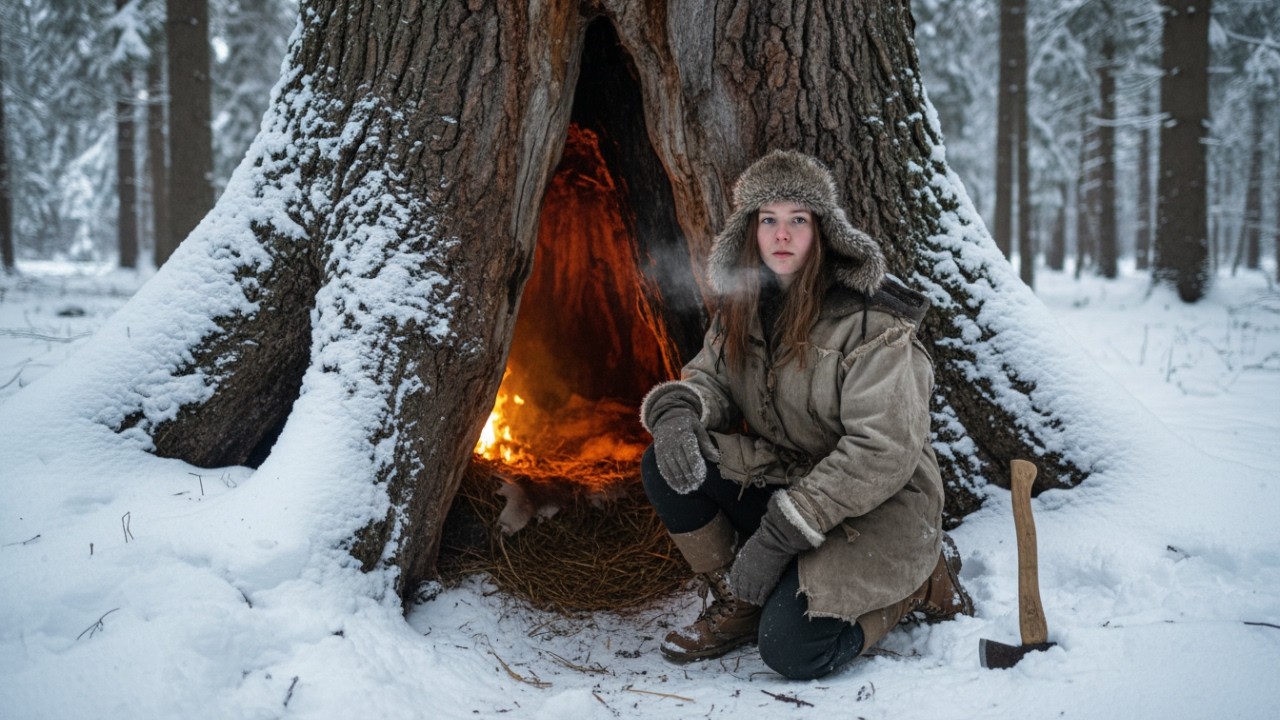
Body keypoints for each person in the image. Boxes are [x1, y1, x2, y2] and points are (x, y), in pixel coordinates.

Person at [639, 150, 973, 680]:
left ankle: (920, 582)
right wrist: (680, 409)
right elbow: (712, 379)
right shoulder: (745, 305)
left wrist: (774, 539)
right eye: (768, 220)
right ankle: (741, 597)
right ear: (749, 231)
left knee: (791, 649)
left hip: (879, 504)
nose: (782, 235)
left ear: (823, 230)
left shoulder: (872, 322)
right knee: (669, 459)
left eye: (798, 219)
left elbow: (881, 451)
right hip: (792, 479)